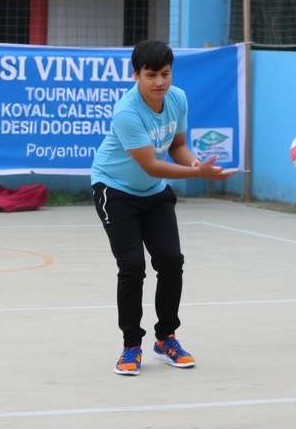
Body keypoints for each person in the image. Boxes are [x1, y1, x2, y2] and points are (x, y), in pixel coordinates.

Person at [90, 40, 234, 375]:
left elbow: (179, 145)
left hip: (153, 193)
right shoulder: (127, 112)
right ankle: (130, 346)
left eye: (165, 74)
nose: (159, 82)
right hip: (116, 189)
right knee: (132, 266)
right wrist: (198, 174)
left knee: (171, 260)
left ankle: (166, 338)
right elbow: (152, 165)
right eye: (151, 75)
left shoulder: (178, 98)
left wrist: (197, 164)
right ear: (136, 75)